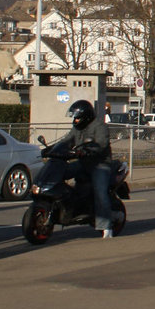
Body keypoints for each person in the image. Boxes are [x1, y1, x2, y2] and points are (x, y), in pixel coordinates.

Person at [54, 99, 115, 238]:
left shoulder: (100, 126)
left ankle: (106, 227)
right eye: (74, 118)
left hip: (100, 164)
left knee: (100, 193)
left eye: (77, 118)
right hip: (83, 162)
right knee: (61, 172)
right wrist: (52, 149)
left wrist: (90, 149)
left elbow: (102, 143)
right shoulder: (77, 128)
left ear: (86, 116)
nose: (75, 121)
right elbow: (67, 140)